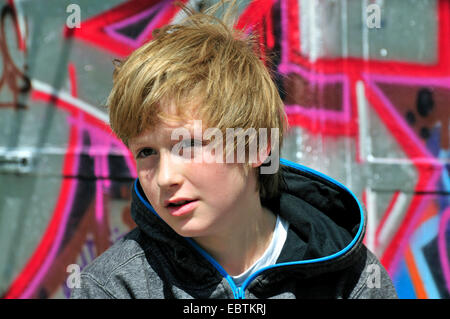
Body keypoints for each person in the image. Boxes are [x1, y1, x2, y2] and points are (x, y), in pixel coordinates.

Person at [70, 2, 397, 299]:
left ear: (256, 146)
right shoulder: (113, 287)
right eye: (146, 153)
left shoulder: (351, 279)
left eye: (188, 145)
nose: (166, 177)